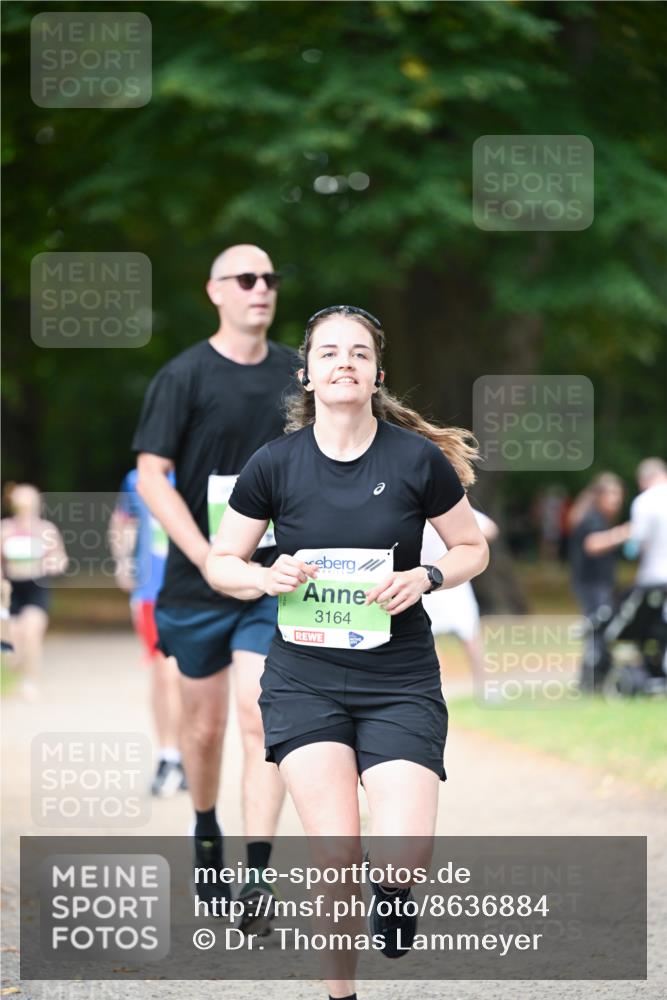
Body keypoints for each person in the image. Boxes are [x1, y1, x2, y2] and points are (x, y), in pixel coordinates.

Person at [206, 304, 489, 1000]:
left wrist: (424, 576)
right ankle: (340, 995)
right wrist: (261, 576)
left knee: (403, 856)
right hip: (304, 680)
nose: (343, 363)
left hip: (399, 680)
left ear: (375, 374)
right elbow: (221, 562)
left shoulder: (414, 459)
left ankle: (393, 891)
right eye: (328, 352)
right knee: (335, 853)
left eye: (358, 354)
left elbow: (470, 548)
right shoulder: (272, 465)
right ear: (306, 373)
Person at [132, 244, 298, 928]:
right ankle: (206, 836)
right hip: (197, 579)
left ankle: (256, 876)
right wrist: (204, 556)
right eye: (246, 278)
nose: (261, 288)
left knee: (264, 713)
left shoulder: (299, 370)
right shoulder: (184, 375)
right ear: (215, 292)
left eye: (270, 277)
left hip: (273, 575)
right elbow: (150, 475)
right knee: (204, 730)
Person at [109, 468, 185, 796]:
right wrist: (123, 560)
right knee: (165, 673)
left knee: (188, 679)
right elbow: (122, 520)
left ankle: (184, 755)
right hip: (152, 593)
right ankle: (169, 756)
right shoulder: (137, 477)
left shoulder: (201, 463)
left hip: (195, 591)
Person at [586, 458, 667, 687]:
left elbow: (636, 545)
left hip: (654, 578)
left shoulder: (644, 501)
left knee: (645, 623)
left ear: (643, 480)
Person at [0, 483, 67, 701]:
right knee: (15, 636)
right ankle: (15, 672)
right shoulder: (5, 529)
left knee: (32, 631)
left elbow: (60, 558)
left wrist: (52, 564)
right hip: (12, 589)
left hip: (37, 586)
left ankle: (31, 680)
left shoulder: (45, 530)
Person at [420, 510, 498, 685]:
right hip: (425, 583)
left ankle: (483, 683)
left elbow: (489, 529)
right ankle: (440, 685)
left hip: (450, 582)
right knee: (431, 638)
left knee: (469, 634)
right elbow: (489, 529)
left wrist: (466, 545)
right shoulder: (433, 509)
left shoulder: (446, 507)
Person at [567, 473, 624, 690]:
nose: (617, 500)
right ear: (600, 495)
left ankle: (595, 676)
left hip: (596, 582)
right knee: (597, 626)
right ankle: (590, 679)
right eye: (612, 494)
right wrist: (623, 533)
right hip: (591, 583)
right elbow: (592, 544)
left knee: (598, 628)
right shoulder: (592, 518)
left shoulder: (598, 517)